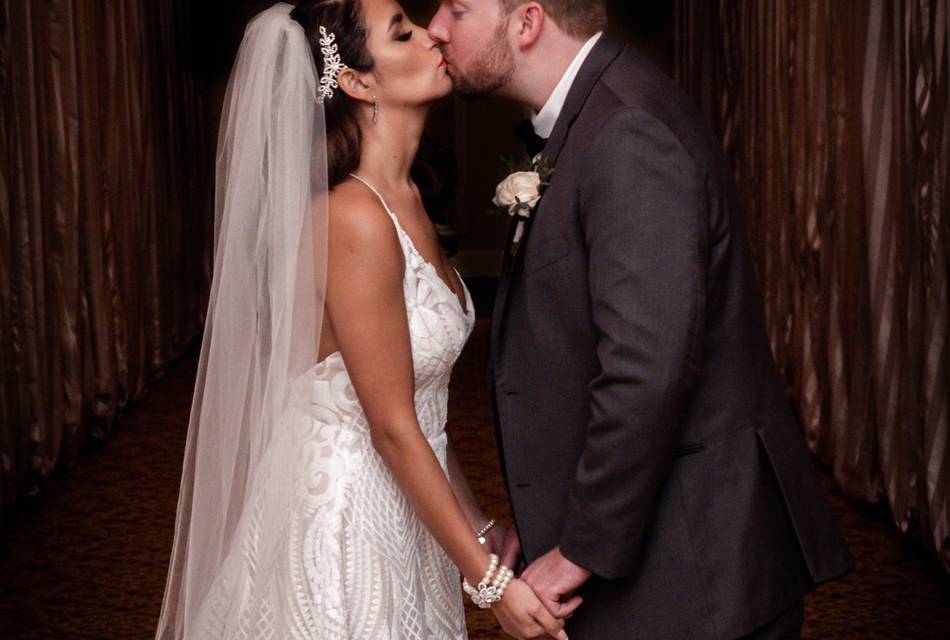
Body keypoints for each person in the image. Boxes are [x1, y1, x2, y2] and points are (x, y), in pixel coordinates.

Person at [428, 1, 853, 638]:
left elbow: (646, 370)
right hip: (673, 558)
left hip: (693, 568)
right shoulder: (595, 116)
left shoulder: (627, 132)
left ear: (527, 23)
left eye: (457, 8)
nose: (436, 25)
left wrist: (580, 549)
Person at [156, 1, 566, 638]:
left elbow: (415, 404)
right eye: (403, 32)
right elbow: (391, 424)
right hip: (344, 517)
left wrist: (476, 521)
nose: (434, 35)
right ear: (356, 80)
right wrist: (488, 580)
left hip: (406, 507)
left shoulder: (407, 197)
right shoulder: (353, 215)